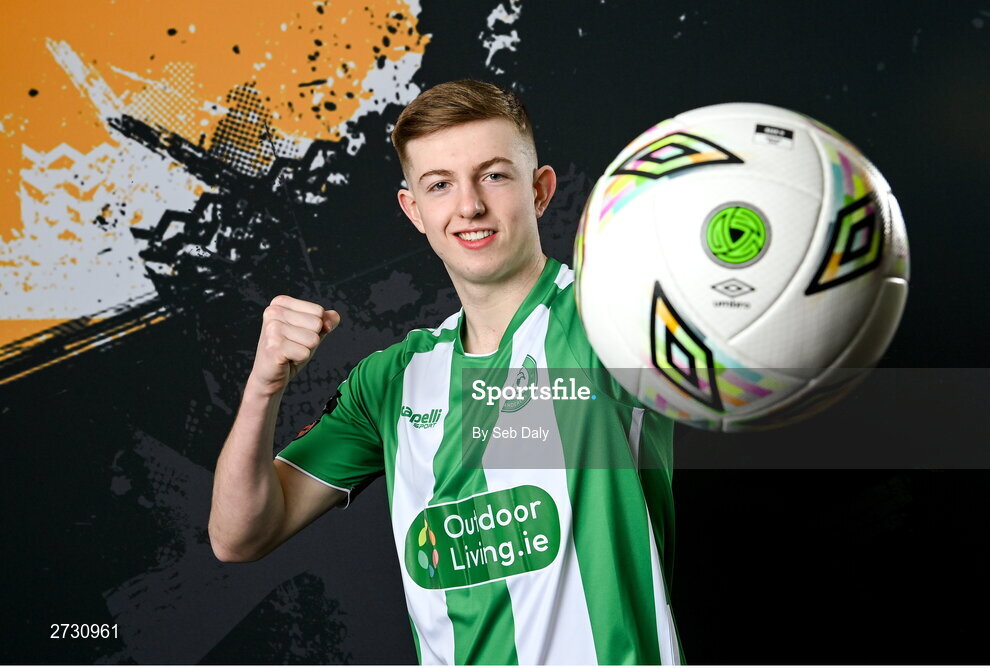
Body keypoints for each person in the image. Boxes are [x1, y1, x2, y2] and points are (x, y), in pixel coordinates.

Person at [209, 80, 683, 665]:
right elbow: (240, 535)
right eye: (440, 185)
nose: (469, 206)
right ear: (414, 210)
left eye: (494, 175)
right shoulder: (388, 382)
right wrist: (263, 386)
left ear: (540, 191)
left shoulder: (612, 319)